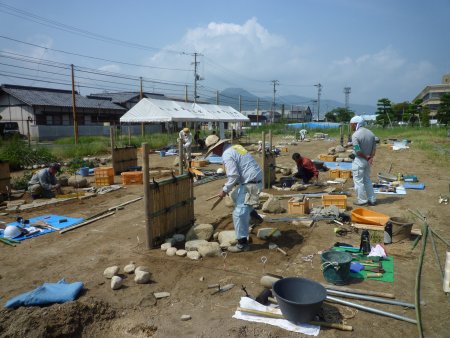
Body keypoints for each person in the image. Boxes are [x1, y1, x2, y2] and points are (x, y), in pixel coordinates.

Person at [205, 135, 263, 253]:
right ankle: (254, 216)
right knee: (235, 195)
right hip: (254, 178)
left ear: (218, 146)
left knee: (238, 214)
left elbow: (233, 175)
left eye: (213, 150)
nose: (214, 153)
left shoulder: (227, 154)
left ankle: (242, 244)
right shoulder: (235, 147)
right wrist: (229, 187)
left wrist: (224, 190)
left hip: (251, 184)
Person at [350, 116, 377, 206]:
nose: (351, 127)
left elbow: (358, 151)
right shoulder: (371, 134)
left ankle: (362, 200)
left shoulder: (355, 135)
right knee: (367, 180)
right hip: (368, 161)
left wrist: (366, 157)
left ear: (355, 124)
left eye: (352, 125)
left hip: (359, 160)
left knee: (358, 181)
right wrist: (370, 157)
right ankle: (372, 199)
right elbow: (374, 149)